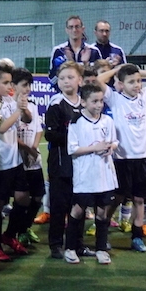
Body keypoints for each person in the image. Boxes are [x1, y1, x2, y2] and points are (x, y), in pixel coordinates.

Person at [96, 63, 146, 253]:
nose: (136, 85)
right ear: (120, 83)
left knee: (140, 199)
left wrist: (139, 71)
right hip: (122, 158)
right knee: (117, 198)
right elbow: (98, 80)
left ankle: (137, 236)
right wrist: (118, 70)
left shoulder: (145, 96)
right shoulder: (115, 99)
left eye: (138, 81)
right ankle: (102, 232)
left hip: (143, 157)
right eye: (131, 81)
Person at [0, 65, 33, 261]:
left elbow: (27, 119)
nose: (10, 86)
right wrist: (18, 110)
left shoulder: (9, 100)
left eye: (11, 82)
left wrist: (23, 108)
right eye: (6, 82)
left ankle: (9, 235)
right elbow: (1, 128)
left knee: (23, 198)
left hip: (14, 160)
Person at [65, 84, 118, 265]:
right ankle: (70, 248)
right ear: (84, 102)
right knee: (78, 210)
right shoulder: (76, 122)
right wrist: (94, 148)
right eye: (94, 101)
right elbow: (72, 149)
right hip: (85, 176)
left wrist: (110, 147)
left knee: (102, 213)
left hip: (104, 175)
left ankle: (101, 249)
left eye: (101, 101)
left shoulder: (107, 121)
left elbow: (114, 141)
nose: (99, 105)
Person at [44, 61, 86, 260]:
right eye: (62, 78)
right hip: (60, 165)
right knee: (59, 206)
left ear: (80, 80)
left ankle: (77, 243)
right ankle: (55, 244)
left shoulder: (85, 103)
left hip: (81, 165)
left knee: (79, 205)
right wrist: (75, 137)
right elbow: (50, 135)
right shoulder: (56, 104)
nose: (66, 81)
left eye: (70, 77)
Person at [12, 68, 45, 247]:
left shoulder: (32, 105)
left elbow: (38, 128)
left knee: (38, 197)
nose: (28, 89)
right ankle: (15, 232)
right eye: (24, 85)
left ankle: (25, 228)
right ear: (13, 86)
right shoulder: (9, 106)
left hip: (33, 159)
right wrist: (25, 149)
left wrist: (33, 149)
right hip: (18, 160)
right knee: (21, 199)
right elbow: (9, 133)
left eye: (29, 85)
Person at [49, 16, 94, 88]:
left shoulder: (93, 51)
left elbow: (98, 79)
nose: (74, 30)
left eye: (77, 26)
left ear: (82, 29)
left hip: (87, 94)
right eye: (71, 27)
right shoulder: (58, 51)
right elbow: (51, 80)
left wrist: (86, 64)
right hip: (65, 93)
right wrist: (69, 64)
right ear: (66, 30)